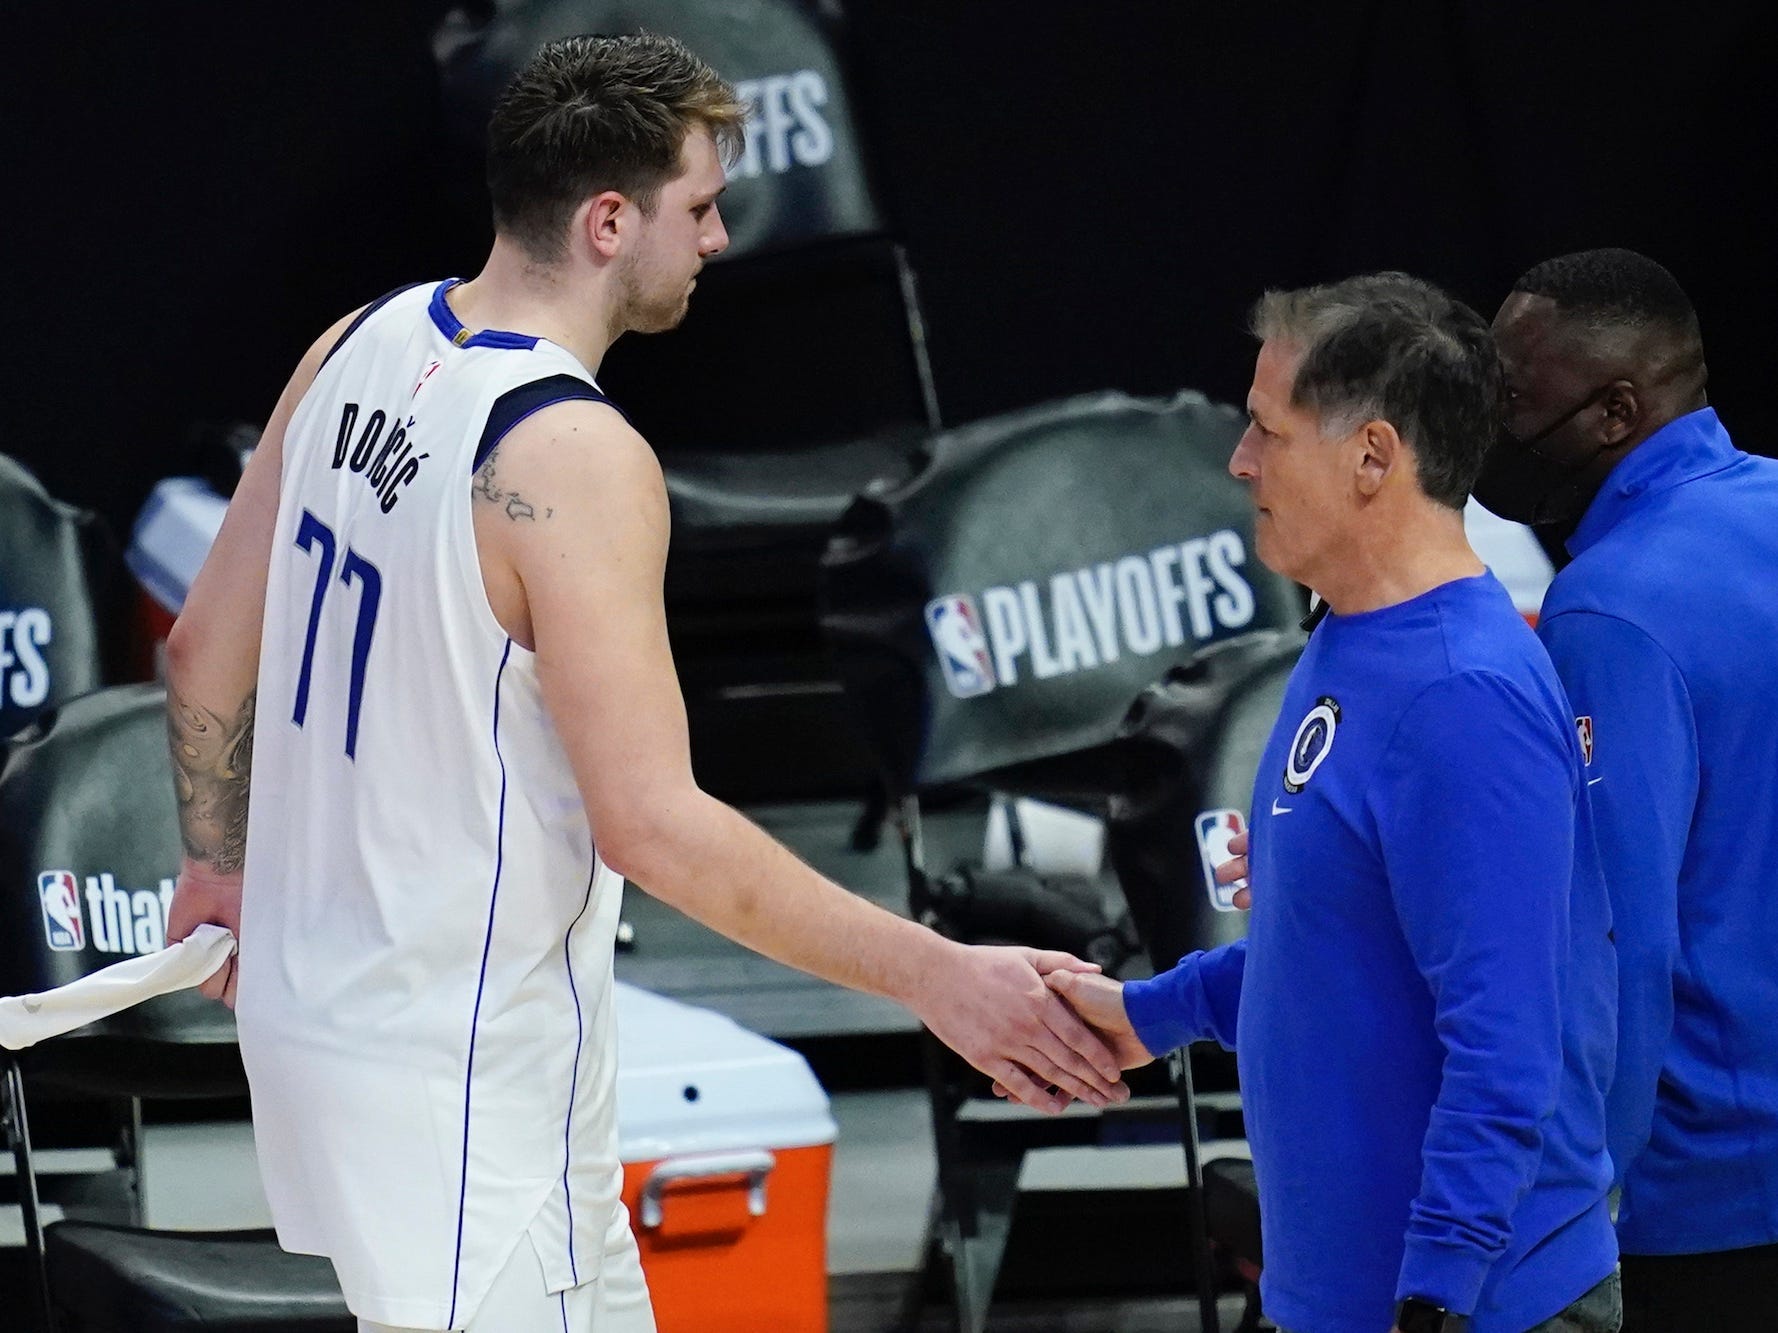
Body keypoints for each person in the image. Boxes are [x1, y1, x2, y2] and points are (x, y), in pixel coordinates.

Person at [158, 33, 1125, 1333]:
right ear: (608, 220)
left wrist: (217, 862)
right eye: (700, 206)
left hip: (320, 1025)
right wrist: (935, 974)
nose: (720, 238)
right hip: (458, 1077)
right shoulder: (573, 452)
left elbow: (199, 645)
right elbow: (653, 824)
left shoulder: (352, 344)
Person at [1051, 273, 1621, 1333]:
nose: (1239, 460)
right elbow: (1332, 954)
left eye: (1266, 430)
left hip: (1464, 1307)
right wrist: (1145, 1016)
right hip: (1341, 1298)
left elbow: (1507, 1046)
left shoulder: (1459, 696)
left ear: (1371, 455)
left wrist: (1433, 1297)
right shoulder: (1348, 638)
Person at [1472, 247, 1778, 1331]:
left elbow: (1614, 941)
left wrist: (1566, 1208)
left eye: (1511, 393)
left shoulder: (1606, 608)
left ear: (1613, 411)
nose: (1486, 417)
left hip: (1706, 1199)